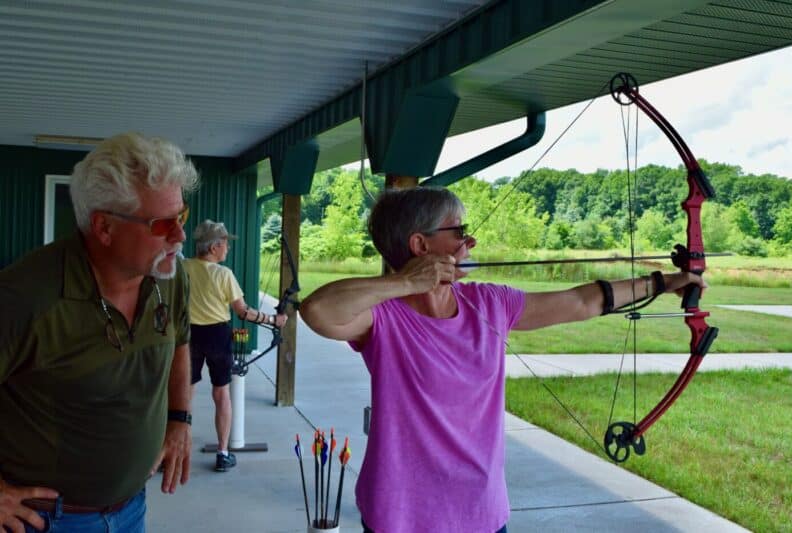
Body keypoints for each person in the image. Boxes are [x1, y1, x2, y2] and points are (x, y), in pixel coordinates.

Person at [300, 187, 707, 533]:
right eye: (459, 231)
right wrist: (405, 282)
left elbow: (584, 301)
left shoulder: (489, 303)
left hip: (481, 509)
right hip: (402, 513)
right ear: (421, 246)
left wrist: (661, 282)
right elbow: (317, 310)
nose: (470, 242)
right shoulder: (383, 317)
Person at [0, 132, 199, 533]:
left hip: (131, 509)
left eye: (182, 216)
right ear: (104, 227)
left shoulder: (168, 275)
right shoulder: (24, 298)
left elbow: (178, 339)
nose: (179, 236)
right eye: (162, 223)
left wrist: (180, 419)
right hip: (46, 521)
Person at [183, 220, 287, 472]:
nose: (227, 248)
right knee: (221, 394)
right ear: (215, 246)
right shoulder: (223, 274)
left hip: (188, 336)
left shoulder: (183, 267)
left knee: (185, 394)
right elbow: (242, 312)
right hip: (217, 335)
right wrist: (274, 320)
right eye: (226, 243)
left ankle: (177, 452)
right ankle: (223, 452)